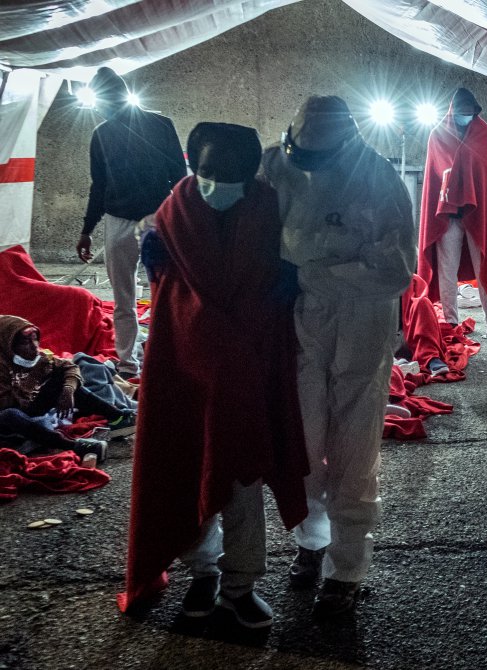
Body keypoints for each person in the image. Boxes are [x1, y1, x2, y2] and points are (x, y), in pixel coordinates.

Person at [121, 123, 309, 629]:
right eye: (206, 173)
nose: (214, 184)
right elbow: (169, 301)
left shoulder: (269, 211)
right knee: (187, 467)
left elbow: (278, 285)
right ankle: (202, 573)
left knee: (242, 480)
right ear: (192, 167)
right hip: (185, 369)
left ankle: (240, 585)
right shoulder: (170, 218)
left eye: (226, 175)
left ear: (249, 176)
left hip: (247, 372)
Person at [261, 96, 416, 618]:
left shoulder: (378, 180)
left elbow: (395, 269)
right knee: (301, 441)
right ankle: (310, 544)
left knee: (353, 445)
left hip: (360, 319)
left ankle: (346, 569)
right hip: (298, 316)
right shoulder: (274, 163)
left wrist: (310, 274)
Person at [76, 67, 186, 379]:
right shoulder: (102, 134)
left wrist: (183, 218)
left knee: (162, 292)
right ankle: (129, 364)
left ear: (120, 96)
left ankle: (158, 358)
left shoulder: (158, 125)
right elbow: (99, 185)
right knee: (127, 295)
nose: (103, 106)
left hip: (156, 219)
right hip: (123, 219)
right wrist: (87, 229)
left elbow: (179, 176)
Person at [417, 88, 487, 339]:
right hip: (448, 213)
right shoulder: (438, 134)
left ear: (475, 112)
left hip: (478, 212)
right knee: (447, 267)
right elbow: (435, 175)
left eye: (469, 113)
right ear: (452, 111)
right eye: (461, 113)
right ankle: (451, 320)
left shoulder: (484, 134)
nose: (465, 116)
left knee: (485, 263)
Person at [0, 315, 134, 462]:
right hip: (9, 419)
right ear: (8, 344)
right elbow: (8, 402)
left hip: (30, 406)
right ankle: (73, 446)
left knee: (64, 379)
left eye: (35, 339)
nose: (34, 346)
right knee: (9, 414)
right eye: (26, 342)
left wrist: (68, 390)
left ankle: (118, 417)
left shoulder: (39, 356)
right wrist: (32, 379)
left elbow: (70, 367)